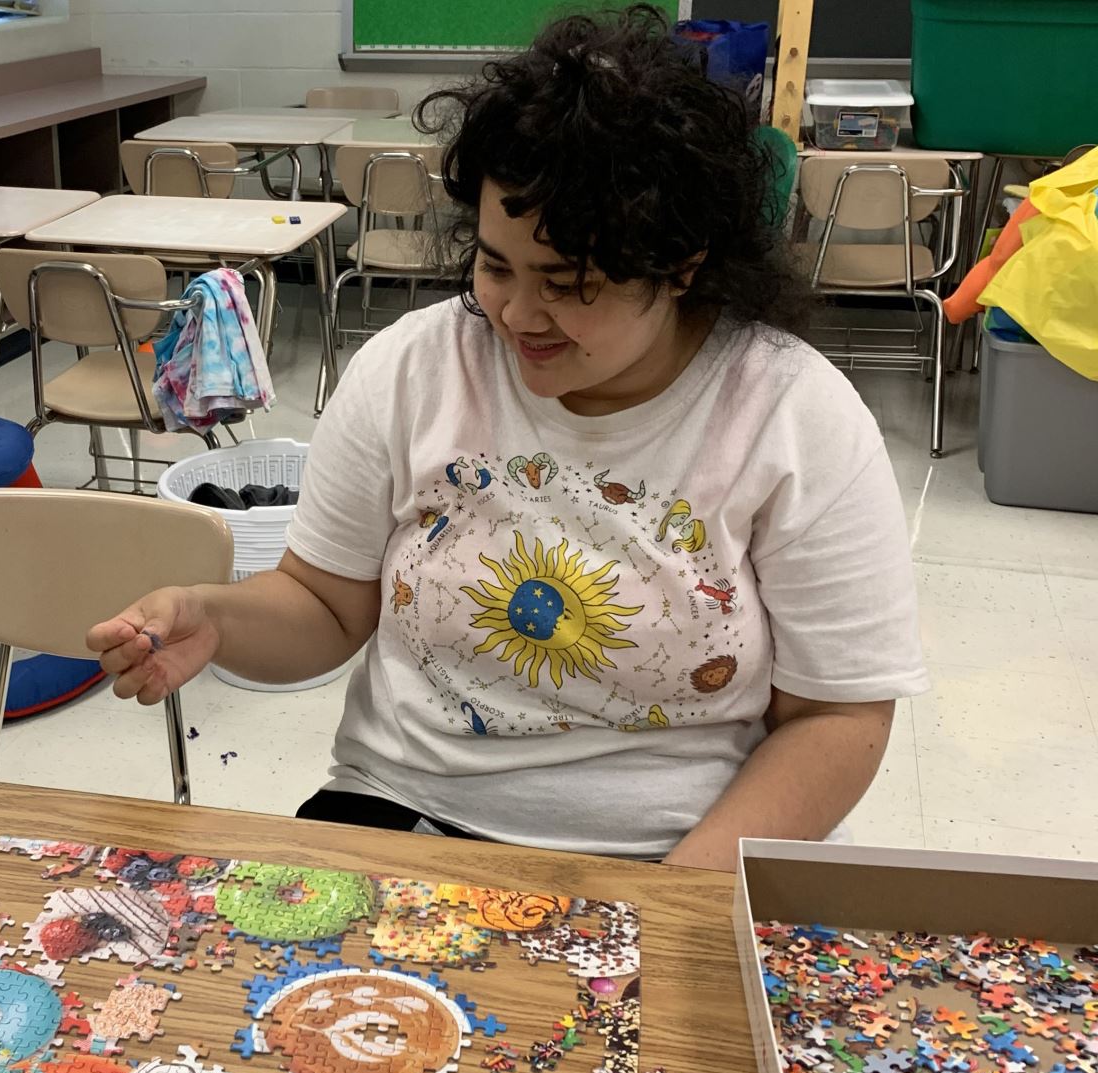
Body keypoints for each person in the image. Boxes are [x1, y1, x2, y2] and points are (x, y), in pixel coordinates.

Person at [88, 5, 927, 869]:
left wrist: (680, 898)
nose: (519, 315)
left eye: (568, 282)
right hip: (407, 807)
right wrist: (216, 617)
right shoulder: (412, 370)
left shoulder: (793, 416)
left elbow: (838, 716)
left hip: (677, 849)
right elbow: (326, 607)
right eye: (495, 266)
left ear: (682, 265)